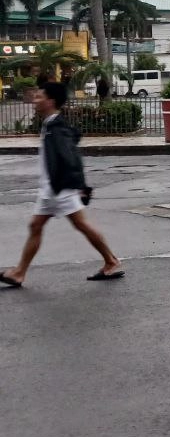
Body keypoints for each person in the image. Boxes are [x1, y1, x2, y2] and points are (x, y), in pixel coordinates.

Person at [1, 82, 122, 289]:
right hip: (51, 188)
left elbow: (71, 158)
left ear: (51, 101)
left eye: (39, 96)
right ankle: (19, 272)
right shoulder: (50, 124)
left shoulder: (56, 128)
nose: (34, 100)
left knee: (79, 224)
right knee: (39, 226)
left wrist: (80, 186)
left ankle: (111, 262)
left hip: (59, 190)